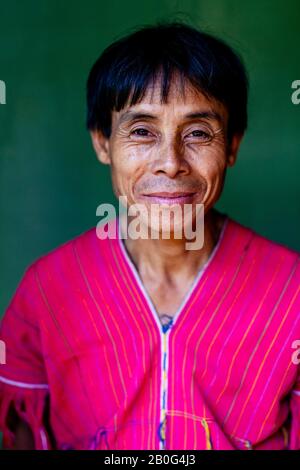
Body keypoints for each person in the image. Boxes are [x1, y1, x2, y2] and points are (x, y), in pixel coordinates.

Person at [0, 22, 299, 450]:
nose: (170, 163)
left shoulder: (292, 292)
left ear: (232, 145)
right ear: (103, 142)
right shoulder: (48, 290)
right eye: (142, 131)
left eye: (198, 133)